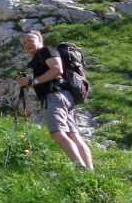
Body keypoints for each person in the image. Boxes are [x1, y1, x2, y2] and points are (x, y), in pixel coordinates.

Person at [15, 30, 94, 171]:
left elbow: (57, 69)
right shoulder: (41, 56)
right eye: (24, 43)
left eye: (31, 40)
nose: (27, 44)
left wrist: (33, 81)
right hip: (63, 96)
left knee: (57, 133)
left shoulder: (46, 51)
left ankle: (81, 169)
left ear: (40, 40)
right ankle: (90, 171)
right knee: (72, 135)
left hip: (55, 96)